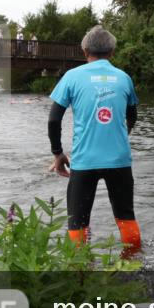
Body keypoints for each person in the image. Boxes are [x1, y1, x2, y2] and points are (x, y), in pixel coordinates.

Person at [47, 25, 142, 258]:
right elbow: (133, 115)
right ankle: (130, 264)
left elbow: (53, 120)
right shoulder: (124, 78)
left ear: (84, 50)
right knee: (126, 216)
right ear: (112, 52)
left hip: (83, 162)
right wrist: (119, 137)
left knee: (77, 222)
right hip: (119, 161)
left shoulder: (71, 77)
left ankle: (82, 272)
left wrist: (58, 154)